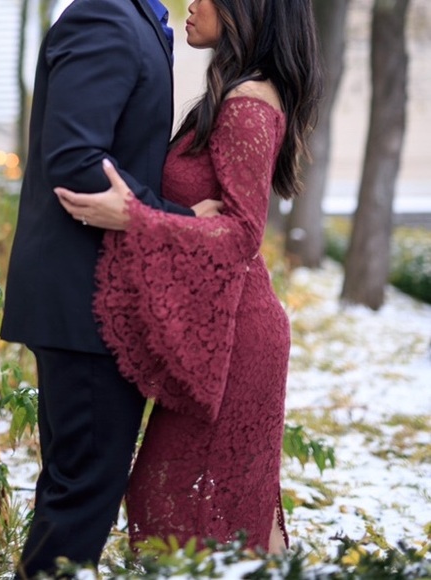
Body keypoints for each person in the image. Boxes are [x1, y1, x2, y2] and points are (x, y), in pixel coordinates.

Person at [55, 0, 323, 555]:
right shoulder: (233, 95)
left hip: (238, 339)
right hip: (221, 331)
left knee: (189, 513)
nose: (192, 3)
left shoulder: (247, 105)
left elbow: (242, 234)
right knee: (198, 513)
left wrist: (136, 217)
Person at [0, 0, 222, 577]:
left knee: (76, 485)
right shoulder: (105, 17)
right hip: (85, 301)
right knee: (83, 490)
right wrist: (178, 220)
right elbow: (76, 162)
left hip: (100, 297)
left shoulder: (140, 20)